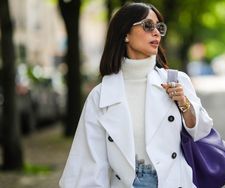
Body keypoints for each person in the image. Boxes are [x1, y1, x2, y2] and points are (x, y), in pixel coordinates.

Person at [59, 2, 213, 188]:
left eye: (159, 27)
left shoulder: (177, 81)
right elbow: (89, 165)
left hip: (174, 181)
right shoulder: (100, 96)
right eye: (148, 26)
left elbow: (202, 130)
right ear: (125, 34)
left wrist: (184, 103)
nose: (156, 32)